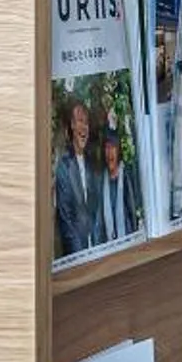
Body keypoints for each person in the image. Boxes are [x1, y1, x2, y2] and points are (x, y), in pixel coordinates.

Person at [52, 98, 97, 258]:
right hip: (78, 253)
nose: (84, 126)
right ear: (71, 125)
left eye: (86, 122)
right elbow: (66, 220)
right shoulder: (64, 166)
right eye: (79, 121)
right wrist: (81, 256)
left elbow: (95, 211)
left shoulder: (91, 164)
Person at [94, 110, 141, 244]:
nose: (110, 152)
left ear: (119, 149)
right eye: (107, 148)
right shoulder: (101, 181)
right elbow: (98, 222)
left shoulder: (127, 177)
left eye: (113, 147)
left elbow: (133, 214)